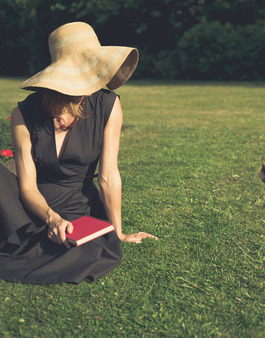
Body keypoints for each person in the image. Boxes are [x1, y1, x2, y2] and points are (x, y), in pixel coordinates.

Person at [0, 22, 157, 284]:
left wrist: (117, 232)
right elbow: (26, 187)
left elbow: (108, 175)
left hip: (77, 208)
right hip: (31, 206)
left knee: (92, 248)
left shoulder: (108, 105)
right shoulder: (23, 113)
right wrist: (51, 218)